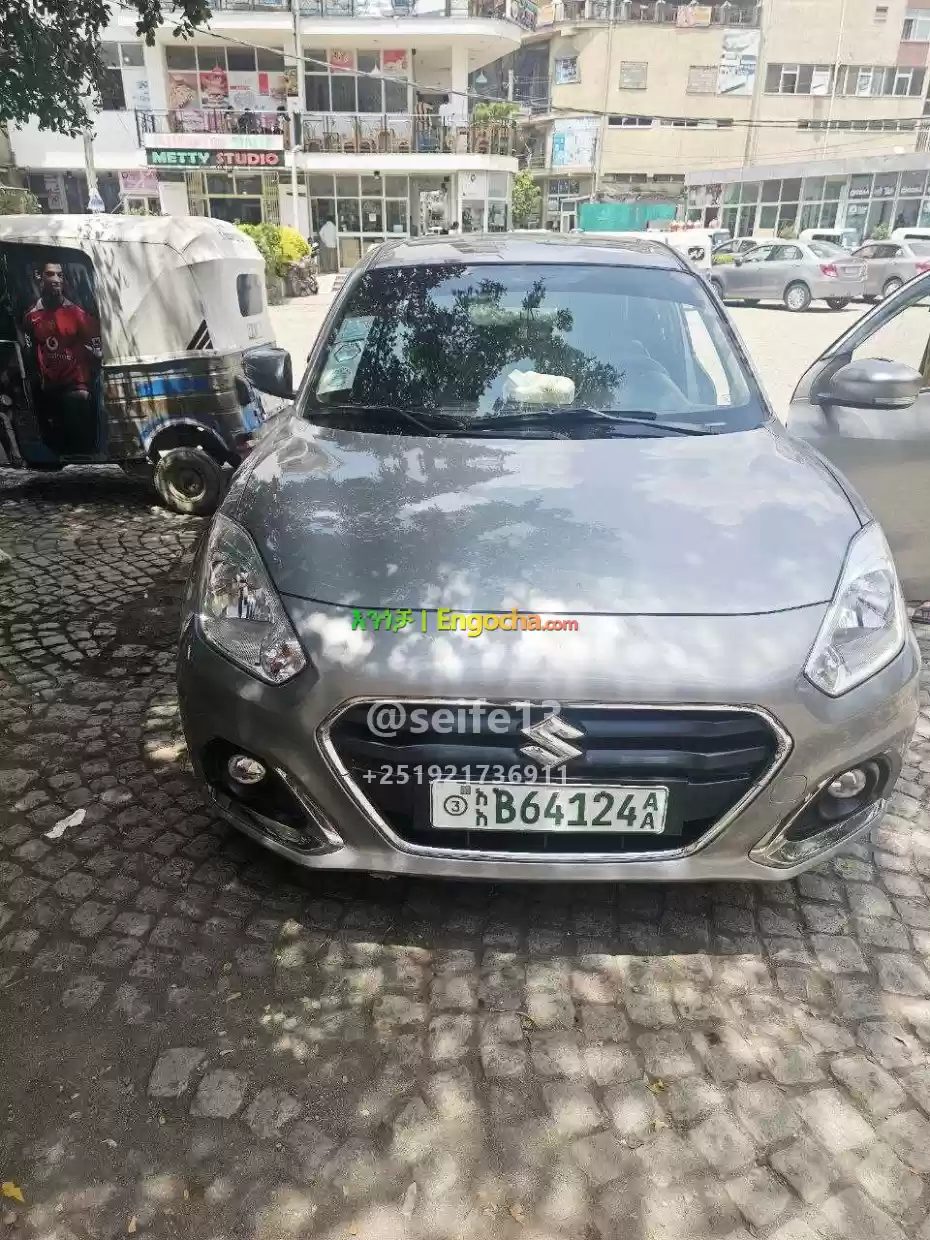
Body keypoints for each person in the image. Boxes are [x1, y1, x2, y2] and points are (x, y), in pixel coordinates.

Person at [21, 260, 102, 457]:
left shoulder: (78, 315)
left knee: (78, 428)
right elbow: (30, 349)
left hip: (76, 385)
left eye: (60, 275)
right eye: (50, 274)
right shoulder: (31, 317)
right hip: (49, 388)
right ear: (39, 277)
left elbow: (98, 347)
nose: (56, 280)